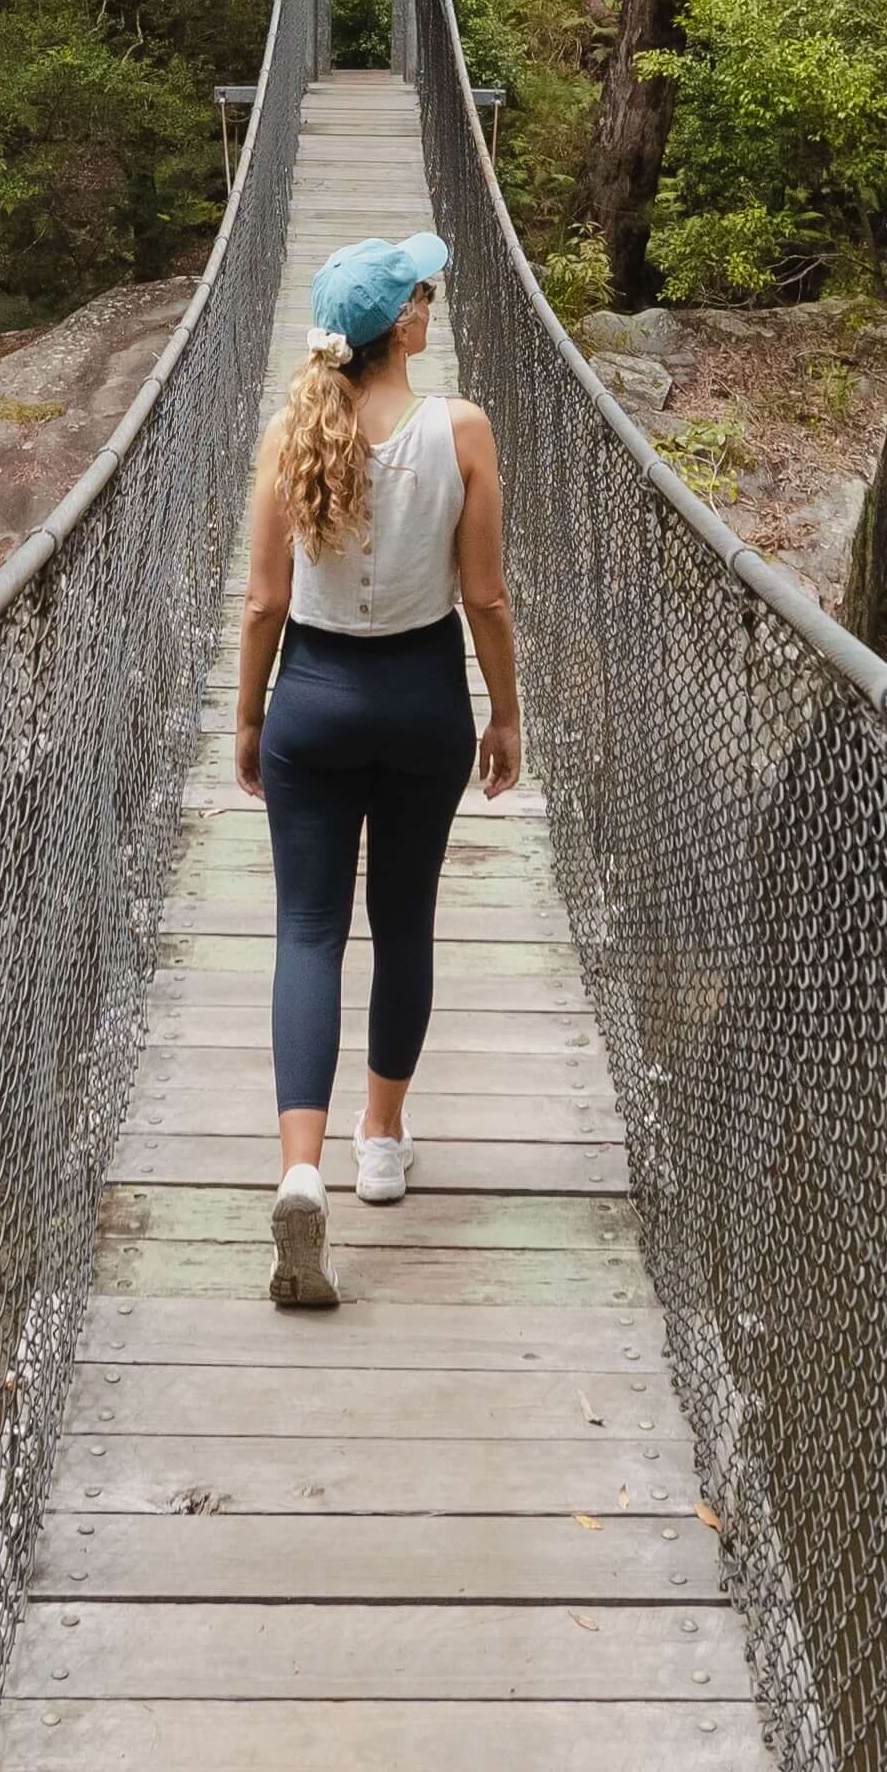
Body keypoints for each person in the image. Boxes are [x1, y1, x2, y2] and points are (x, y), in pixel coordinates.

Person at [231, 229, 525, 1313]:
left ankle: (299, 1168)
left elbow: (262, 602)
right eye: (424, 291)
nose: (433, 302)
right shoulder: (462, 428)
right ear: (401, 322)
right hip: (420, 701)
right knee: (404, 921)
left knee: (307, 927)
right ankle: (383, 1141)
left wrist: (250, 716)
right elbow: (485, 595)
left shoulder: (288, 431)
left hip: (310, 695)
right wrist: (505, 712)